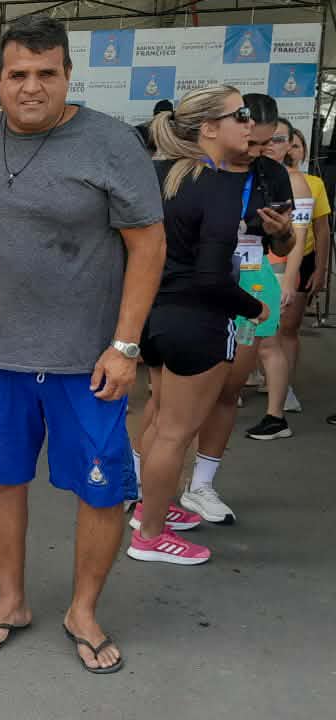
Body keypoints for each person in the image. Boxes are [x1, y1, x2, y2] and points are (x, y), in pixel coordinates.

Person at [0, 15, 166, 672]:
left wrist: (126, 346)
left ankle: (83, 611)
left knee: (101, 489)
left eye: (46, 73)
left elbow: (148, 245)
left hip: (87, 360)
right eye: (18, 74)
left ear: (68, 75)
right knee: (1, 481)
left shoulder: (111, 143)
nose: (31, 87)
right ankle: (10, 601)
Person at [129, 86, 265, 567]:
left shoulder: (154, 175)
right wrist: (253, 307)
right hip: (196, 322)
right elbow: (212, 278)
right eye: (240, 115)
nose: (250, 124)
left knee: (161, 420)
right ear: (208, 127)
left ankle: (150, 510)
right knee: (174, 432)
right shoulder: (218, 186)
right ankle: (150, 534)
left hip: (151, 318)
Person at [150, 94, 298, 525]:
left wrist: (282, 235)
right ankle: (150, 504)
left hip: (242, 283)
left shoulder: (270, 175)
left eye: (266, 142)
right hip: (197, 297)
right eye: (247, 130)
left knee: (223, 393)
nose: (257, 146)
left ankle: (195, 488)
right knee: (168, 411)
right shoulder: (186, 177)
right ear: (212, 128)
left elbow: (284, 242)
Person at [247, 115, 312, 433]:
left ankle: (277, 414)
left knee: (268, 343)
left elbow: (298, 235)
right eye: (264, 140)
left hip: (275, 269)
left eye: (277, 140)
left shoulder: (294, 181)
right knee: (248, 341)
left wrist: (288, 279)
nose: (269, 146)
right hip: (250, 266)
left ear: (289, 144)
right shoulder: (258, 174)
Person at [270, 122, 329, 415]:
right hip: (258, 265)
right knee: (257, 336)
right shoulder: (255, 177)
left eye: (291, 143)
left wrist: (319, 270)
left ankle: (283, 393)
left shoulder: (307, 183)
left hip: (295, 262)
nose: (285, 148)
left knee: (285, 330)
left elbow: (319, 230)